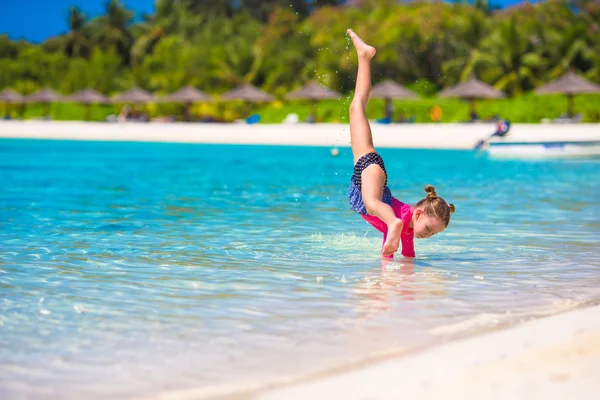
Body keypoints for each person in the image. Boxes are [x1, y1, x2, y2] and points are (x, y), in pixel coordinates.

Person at [346, 29, 456, 259]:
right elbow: (390, 230)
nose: (427, 235)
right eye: (427, 229)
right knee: (371, 201)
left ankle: (364, 56)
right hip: (371, 172)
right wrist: (393, 224)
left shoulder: (407, 232)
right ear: (417, 214)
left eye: (432, 234)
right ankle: (364, 56)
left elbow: (403, 258)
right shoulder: (402, 220)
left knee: (357, 107)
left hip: (369, 170)